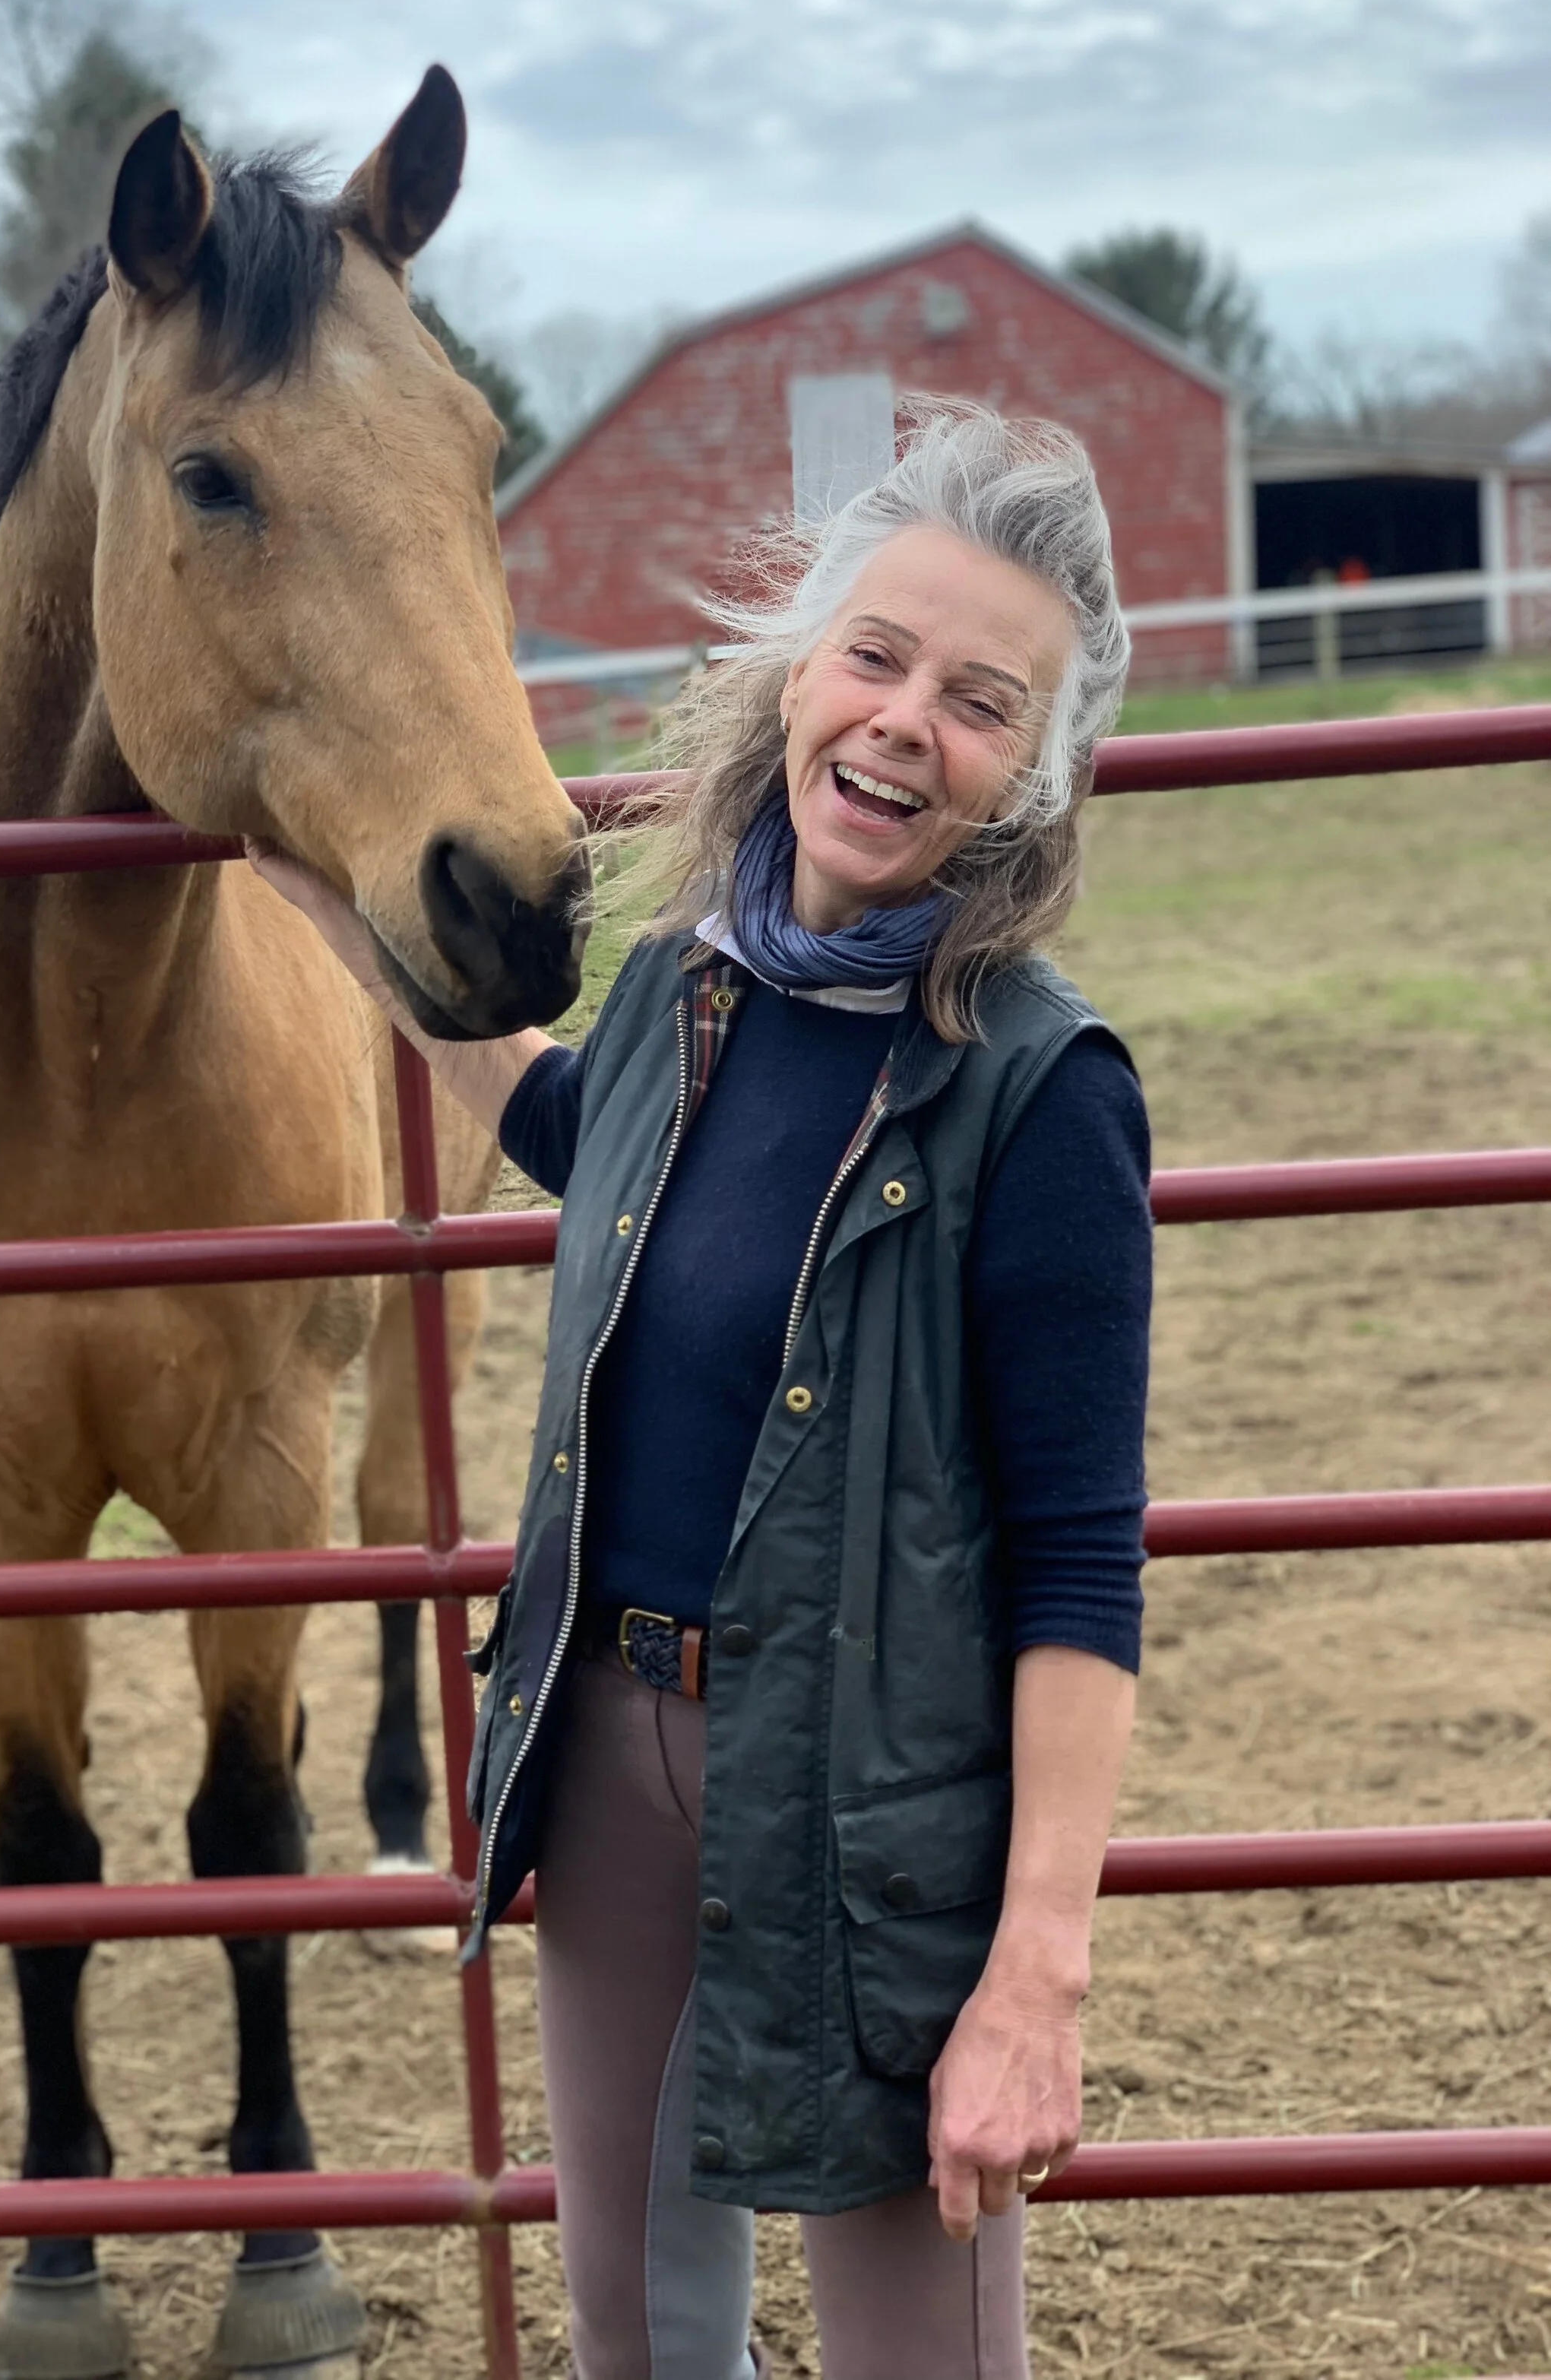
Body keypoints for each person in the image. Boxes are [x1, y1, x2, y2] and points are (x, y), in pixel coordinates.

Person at [248, 395, 1151, 2380]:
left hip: (875, 1811)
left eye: (981, 699)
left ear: (1029, 780)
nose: (906, 719)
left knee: (919, 2363)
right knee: (636, 2337)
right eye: (877, 656)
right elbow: (583, 1124)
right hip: (607, 1741)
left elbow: (1082, 1565)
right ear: (796, 676)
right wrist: (318, 879)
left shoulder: (1036, 1089)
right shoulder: (682, 989)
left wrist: (1034, 1975)